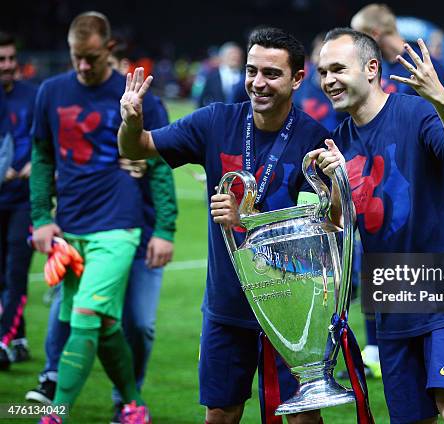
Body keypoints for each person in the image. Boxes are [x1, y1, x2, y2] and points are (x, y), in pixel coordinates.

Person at [118, 27, 329, 424]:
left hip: (292, 308)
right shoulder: (215, 122)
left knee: (302, 418)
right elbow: (137, 147)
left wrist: (246, 222)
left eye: (271, 73)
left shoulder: (314, 139)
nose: (258, 83)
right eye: (252, 71)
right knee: (220, 413)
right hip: (227, 306)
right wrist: (131, 121)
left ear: (298, 79)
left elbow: (319, 236)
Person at [314, 28, 444, 424]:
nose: (328, 80)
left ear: (371, 68)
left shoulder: (414, 111)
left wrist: (440, 97)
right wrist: (336, 187)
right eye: (323, 72)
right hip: (392, 303)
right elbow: (339, 227)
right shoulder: (339, 142)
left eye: (338, 68)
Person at [30, 11, 165, 423]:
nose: (83, 66)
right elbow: (41, 155)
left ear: (110, 48)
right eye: (76, 57)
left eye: (90, 57)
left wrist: (165, 227)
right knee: (99, 321)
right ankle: (131, 403)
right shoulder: (51, 92)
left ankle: (56, 413)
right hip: (70, 225)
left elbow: (159, 163)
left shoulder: (140, 96)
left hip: (121, 224)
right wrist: (40, 216)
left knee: (92, 317)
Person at [0, 31, 38, 370]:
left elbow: (45, 139)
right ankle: (19, 336)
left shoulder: (33, 95)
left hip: (24, 199)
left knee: (15, 273)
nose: (8, 65)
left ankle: (3, 341)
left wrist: (32, 164)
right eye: (2, 60)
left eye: (12, 58)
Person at [350, 3, 444, 97]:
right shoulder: (373, 68)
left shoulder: (427, 67)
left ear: (375, 34)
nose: (357, 45)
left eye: (360, 38)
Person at [196, 42, 244, 108]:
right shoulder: (211, 76)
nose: (235, 57)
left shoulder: (245, 76)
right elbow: (201, 100)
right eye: (231, 55)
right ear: (223, 57)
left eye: (237, 55)